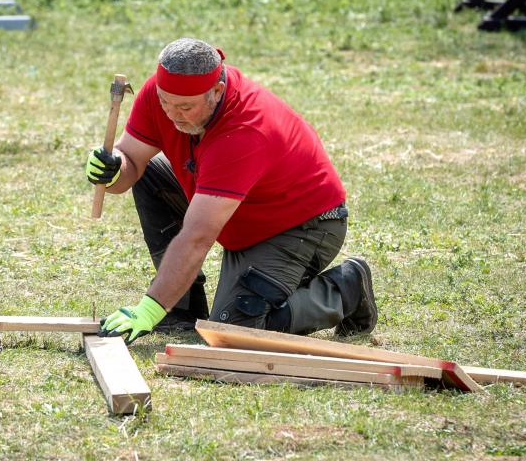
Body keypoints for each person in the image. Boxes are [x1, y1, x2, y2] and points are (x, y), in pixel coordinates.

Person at [86, 37, 377, 345]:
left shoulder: (245, 132)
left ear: (217, 91)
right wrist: (115, 168)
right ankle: (182, 307)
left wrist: (149, 308)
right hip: (238, 211)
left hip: (300, 226)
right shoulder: (161, 93)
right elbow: (131, 163)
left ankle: (346, 289)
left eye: (185, 107)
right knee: (151, 175)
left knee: (235, 332)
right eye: (165, 103)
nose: (172, 115)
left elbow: (197, 237)